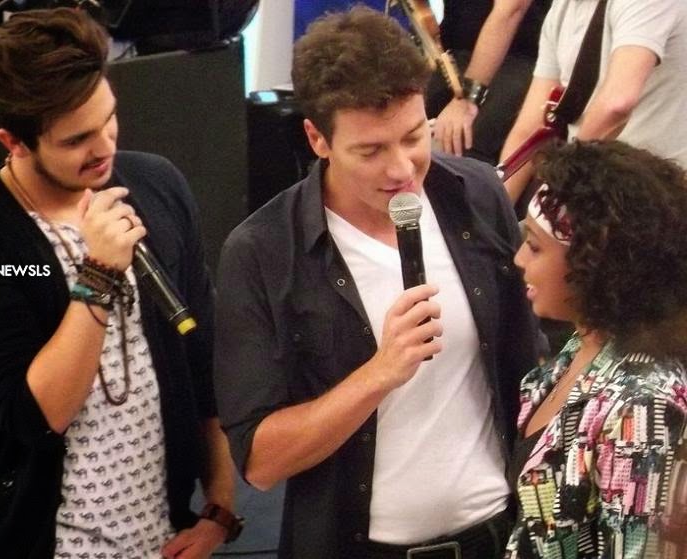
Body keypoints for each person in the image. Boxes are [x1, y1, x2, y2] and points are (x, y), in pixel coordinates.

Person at [214, 6, 538, 559]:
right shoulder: (262, 251)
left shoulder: (478, 196)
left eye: (414, 136)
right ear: (317, 138)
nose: (402, 169)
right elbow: (261, 462)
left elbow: (528, 369)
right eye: (371, 151)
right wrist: (379, 374)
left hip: (497, 536)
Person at [0, 8, 240, 558]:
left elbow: (204, 362)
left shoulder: (156, 184)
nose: (104, 147)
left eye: (108, 119)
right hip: (47, 539)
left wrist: (220, 508)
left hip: (163, 533)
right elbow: (36, 413)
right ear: (14, 142)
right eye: (76, 140)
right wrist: (98, 273)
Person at [506, 140, 687, 558]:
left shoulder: (643, 405)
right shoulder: (581, 344)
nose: (518, 259)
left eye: (535, 246)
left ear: (594, 260)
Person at [500, 0, 687, 205]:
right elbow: (530, 128)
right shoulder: (563, 7)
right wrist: (493, 207)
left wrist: (560, 191)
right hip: (591, 184)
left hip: (652, 195)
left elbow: (616, 104)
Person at [429, 0, 551, 163]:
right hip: (453, 52)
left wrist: (468, 98)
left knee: (464, 138)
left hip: (519, 57)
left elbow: (510, 11)